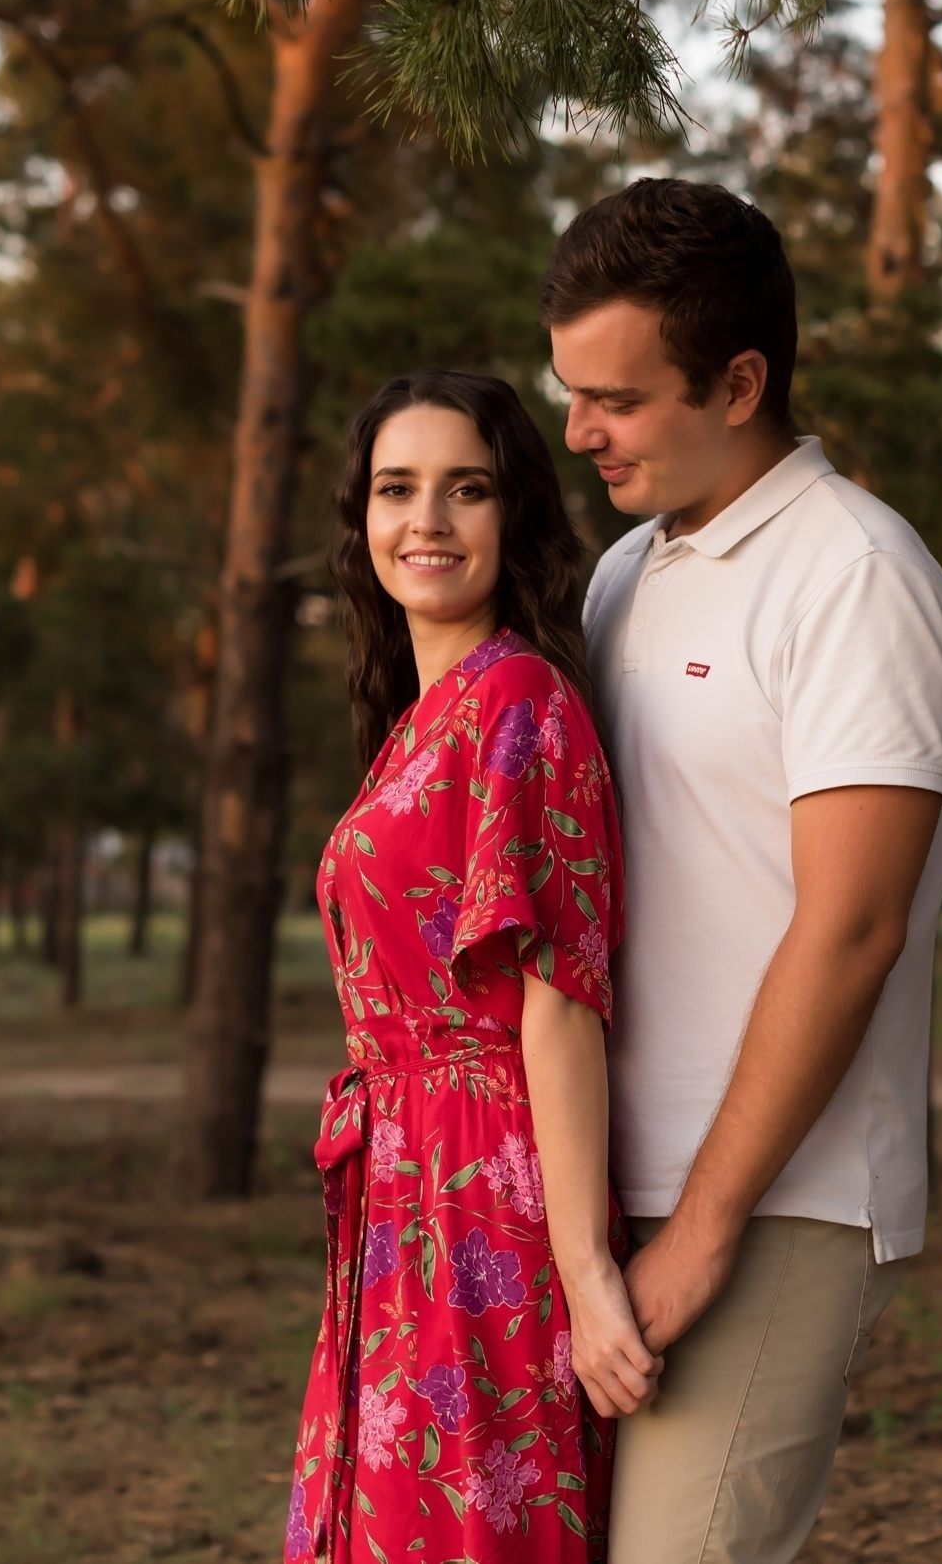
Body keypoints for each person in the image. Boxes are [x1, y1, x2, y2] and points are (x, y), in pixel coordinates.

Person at [546, 181, 942, 1562]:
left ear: (739, 382)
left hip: (767, 1193)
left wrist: (707, 1224)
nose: (578, 429)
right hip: (596, 1185)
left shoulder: (852, 573)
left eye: (616, 396)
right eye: (570, 390)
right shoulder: (623, 575)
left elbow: (852, 926)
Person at [286, 369, 659, 1564]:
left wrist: (586, 1273)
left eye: (468, 490)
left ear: (517, 518)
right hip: (402, 1191)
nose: (427, 522)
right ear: (364, 521)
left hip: (485, 1197)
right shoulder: (421, 711)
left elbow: (556, 1002)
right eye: (398, 491)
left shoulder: (520, 704)